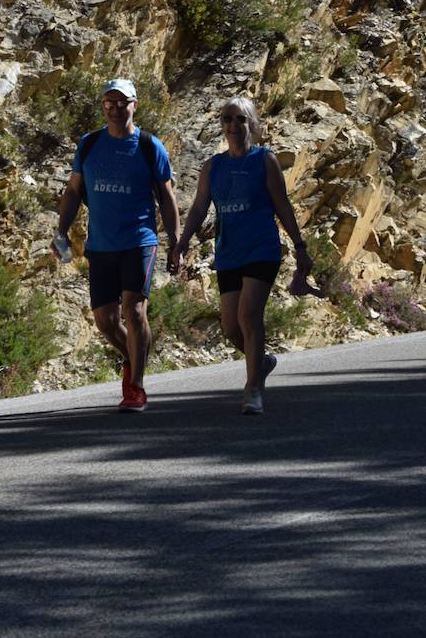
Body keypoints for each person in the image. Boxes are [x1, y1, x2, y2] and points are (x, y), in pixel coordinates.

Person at [168, 97, 314, 415]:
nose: (233, 126)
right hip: (229, 252)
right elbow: (198, 208)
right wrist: (181, 243)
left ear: (252, 125)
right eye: (227, 119)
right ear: (222, 125)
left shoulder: (264, 160)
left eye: (241, 119)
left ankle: (253, 389)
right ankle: (260, 362)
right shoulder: (213, 166)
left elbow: (282, 205)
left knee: (249, 316)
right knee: (231, 328)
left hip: (262, 248)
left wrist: (300, 245)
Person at [53, 78, 180, 412]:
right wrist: (61, 231)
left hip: (139, 241)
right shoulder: (90, 144)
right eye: (108, 103)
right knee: (106, 321)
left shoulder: (150, 146)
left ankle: (136, 388)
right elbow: (73, 190)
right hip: (101, 244)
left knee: (134, 311)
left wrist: (176, 243)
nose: (114, 109)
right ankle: (132, 357)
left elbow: (167, 199)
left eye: (121, 102)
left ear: (134, 104)